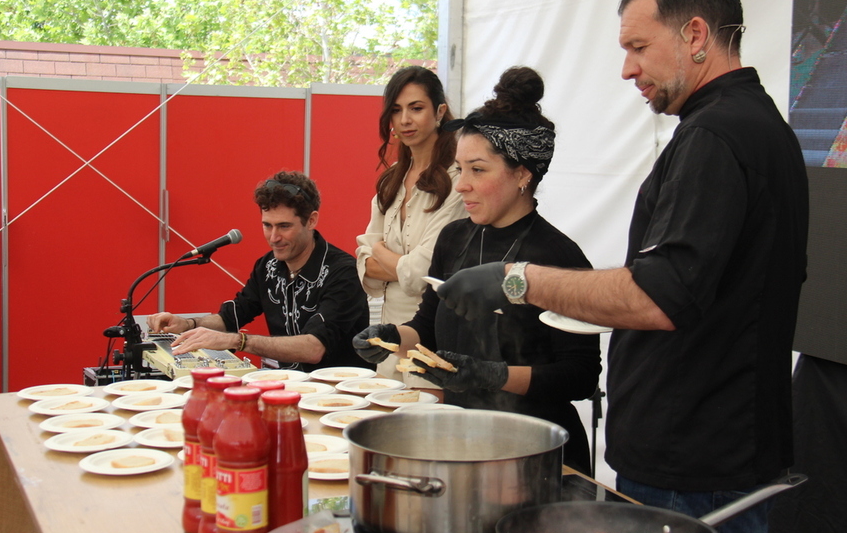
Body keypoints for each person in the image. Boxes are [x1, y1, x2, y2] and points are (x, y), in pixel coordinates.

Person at [434, 0, 809, 533]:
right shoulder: (755, 128)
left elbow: (659, 294)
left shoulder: (717, 135)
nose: (627, 68)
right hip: (708, 450)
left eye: (638, 47)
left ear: (694, 35)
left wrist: (521, 280)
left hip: (694, 461)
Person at [354, 67, 602, 476]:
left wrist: (493, 375)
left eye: (478, 170)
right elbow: (427, 325)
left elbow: (578, 376)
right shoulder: (454, 239)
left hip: (537, 453)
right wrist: (392, 337)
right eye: (460, 168)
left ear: (523, 174)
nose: (462, 184)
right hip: (464, 441)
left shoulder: (559, 257)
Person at [147, 171, 371, 372]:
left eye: (284, 226)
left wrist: (238, 342)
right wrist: (187, 324)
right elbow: (231, 316)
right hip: (290, 390)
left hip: (341, 396)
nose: (274, 238)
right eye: (267, 225)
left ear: (311, 220)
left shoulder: (343, 272)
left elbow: (313, 348)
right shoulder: (267, 266)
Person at [355, 66, 467, 379]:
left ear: (440, 111)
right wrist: (393, 262)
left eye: (416, 108)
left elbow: (422, 275)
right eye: (396, 110)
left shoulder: (458, 182)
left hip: (432, 343)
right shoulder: (392, 179)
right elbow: (365, 267)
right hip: (387, 345)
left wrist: (379, 252)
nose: (405, 120)